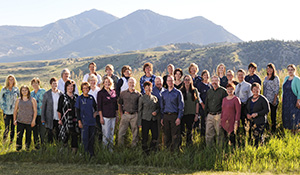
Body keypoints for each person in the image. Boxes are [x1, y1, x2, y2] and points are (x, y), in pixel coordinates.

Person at [161, 75, 184, 151]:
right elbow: (162, 106)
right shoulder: (163, 93)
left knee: (175, 135)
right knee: (167, 135)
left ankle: (175, 151)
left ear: (174, 81)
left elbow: (181, 107)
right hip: (166, 116)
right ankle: (167, 151)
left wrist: (179, 118)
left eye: (171, 80)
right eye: (168, 81)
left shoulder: (178, 93)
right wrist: (162, 117)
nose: (170, 82)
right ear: (166, 82)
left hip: (174, 116)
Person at [204, 75, 228, 146]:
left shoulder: (223, 91)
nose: (214, 82)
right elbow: (206, 103)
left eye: (216, 81)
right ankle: (209, 149)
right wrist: (206, 115)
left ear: (219, 81)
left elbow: (226, 105)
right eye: (213, 81)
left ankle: (219, 149)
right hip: (210, 115)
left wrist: (224, 117)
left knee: (219, 133)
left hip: (219, 115)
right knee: (209, 133)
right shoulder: (209, 91)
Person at [118, 77, 141, 147]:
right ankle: (120, 147)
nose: (131, 84)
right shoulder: (123, 93)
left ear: (135, 84)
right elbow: (119, 104)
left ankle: (134, 147)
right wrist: (121, 114)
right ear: (128, 84)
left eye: (133, 83)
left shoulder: (138, 94)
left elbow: (140, 107)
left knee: (135, 133)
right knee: (121, 132)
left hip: (134, 115)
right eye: (130, 82)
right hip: (125, 115)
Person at [76, 82, 97, 157]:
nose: (86, 89)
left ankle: (91, 155)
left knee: (91, 139)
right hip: (84, 122)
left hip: (92, 121)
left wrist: (96, 113)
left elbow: (96, 107)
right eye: (84, 88)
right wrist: (79, 121)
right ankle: (85, 155)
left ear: (89, 89)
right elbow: (77, 111)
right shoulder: (79, 98)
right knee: (85, 139)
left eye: (87, 88)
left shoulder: (91, 98)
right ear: (82, 89)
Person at [57, 80, 79, 153]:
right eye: (68, 86)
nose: (70, 88)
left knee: (75, 137)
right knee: (65, 137)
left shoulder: (76, 97)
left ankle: (74, 154)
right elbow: (59, 109)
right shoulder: (62, 97)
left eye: (72, 86)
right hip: (65, 120)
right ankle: (64, 153)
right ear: (66, 87)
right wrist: (60, 119)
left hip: (75, 120)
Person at [13, 85, 37, 151]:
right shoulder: (18, 100)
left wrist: (33, 120)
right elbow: (15, 110)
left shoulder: (32, 100)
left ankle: (27, 149)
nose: (24, 92)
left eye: (25, 90)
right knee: (19, 136)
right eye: (23, 90)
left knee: (28, 136)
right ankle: (18, 149)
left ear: (28, 91)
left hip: (29, 121)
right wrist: (14, 120)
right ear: (21, 91)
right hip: (20, 121)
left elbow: (35, 111)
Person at [138, 81, 160, 153]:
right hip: (145, 119)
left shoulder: (155, 98)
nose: (148, 89)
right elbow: (139, 110)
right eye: (146, 88)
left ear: (151, 88)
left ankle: (152, 149)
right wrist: (139, 122)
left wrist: (156, 112)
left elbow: (158, 108)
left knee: (155, 136)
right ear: (144, 89)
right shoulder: (142, 98)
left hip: (153, 120)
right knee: (145, 136)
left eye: (149, 87)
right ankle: (145, 151)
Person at [97, 76, 118, 150]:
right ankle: (104, 150)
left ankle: (111, 150)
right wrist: (101, 117)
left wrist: (117, 115)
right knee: (106, 134)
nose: (107, 83)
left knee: (112, 134)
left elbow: (116, 105)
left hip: (113, 116)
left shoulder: (113, 91)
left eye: (109, 82)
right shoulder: (100, 93)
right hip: (105, 116)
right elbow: (99, 106)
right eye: (106, 82)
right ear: (103, 83)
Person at [41, 77, 63, 143]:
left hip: (58, 117)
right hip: (50, 116)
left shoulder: (61, 94)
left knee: (58, 132)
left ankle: (58, 145)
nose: (55, 85)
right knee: (50, 132)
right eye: (53, 84)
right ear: (51, 84)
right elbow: (44, 107)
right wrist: (43, 118)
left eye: (56, 84)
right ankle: (50, 146)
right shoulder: (47, 94)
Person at [180, 75, 200, 146]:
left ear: (191, 81)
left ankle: (189, 145)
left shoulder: (194, 90)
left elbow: (197, 103)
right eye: (185, 79)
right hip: (183, 113)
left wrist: (196, 114)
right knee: (182, 131)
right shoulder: (181, 91)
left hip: (191, 113)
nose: (187, 81)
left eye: (188, 79)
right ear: (183, 81)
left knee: (190, 131)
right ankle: (181, 145)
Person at [220, 83, 241, 147]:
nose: (229, 91)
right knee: (225, 140)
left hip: (232, 122)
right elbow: (222, 110)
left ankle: (233, 152)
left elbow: (238, 112)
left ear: (234, 90)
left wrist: (236, 121)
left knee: (233, 139)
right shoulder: (224, 99)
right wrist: (221, 120)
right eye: (228, 89)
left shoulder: (236, 99)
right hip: (224, 121)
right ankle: (225, 152)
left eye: (231, 89)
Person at [0, 74, 19, 144]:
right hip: (6, 112)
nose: (11, 81)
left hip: (14, 112)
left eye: (12, 79)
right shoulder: (4, 89)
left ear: (14, 80)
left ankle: (11, 141)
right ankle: (4, 141)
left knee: (13, 128)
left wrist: (18, 108)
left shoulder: (16, 89)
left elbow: (19, 99)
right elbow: (1, 99)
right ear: (7, 80)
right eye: (9, 79)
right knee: (6, 127)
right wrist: (3, 108)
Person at [282, 64, 300, 132]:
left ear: (294, 70)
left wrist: (298, 100)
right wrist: (282, 97)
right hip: (286, 101)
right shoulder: (286, 78)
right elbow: (283, 89)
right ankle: (288, 132)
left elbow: (299, 91)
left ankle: (295, 133)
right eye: (289, 70)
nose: (290, 71)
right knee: (286, 116)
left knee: (294, 117)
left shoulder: (297, 79)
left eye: (291, 70)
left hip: (293, 100)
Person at [263, 63, 280, 133]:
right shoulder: (265, 78)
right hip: (266, 99)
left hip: (273, 99)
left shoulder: (276, 78)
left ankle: (273, 131)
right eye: (268, 68)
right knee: (265, 116)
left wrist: (274, 100)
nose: (269, 70)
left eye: (270, 68)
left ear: (273, 69)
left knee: (273, 116)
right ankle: (267, 129)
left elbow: (277, 89)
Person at [30, 77, 46, 149]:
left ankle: (43, 146)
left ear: (39, 83)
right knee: (35, 131)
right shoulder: (31, 93)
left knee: (42, 131)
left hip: (42, 114)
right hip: (34, 115)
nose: (34, 85)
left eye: (36, 83)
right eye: (33, 83)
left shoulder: (43, 91)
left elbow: (47, 101)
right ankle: (37, 146)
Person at [151, 76, 166, 145]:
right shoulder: (152, 91)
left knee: (165, 131)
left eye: (160, 81)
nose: (159, 83)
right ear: (154, 82)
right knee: (157, 131)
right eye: (157, 81)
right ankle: (156, 146)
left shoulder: (165, 90)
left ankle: (164, 145)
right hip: (156, 114)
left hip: (165, 113)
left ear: (162, 82)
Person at [87, 74, 102, 143]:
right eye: (91, 81)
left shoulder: (99, 90)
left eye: (94, 80)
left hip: (98, 113)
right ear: (89, 81)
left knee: (99, 128)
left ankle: (99, 142)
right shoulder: (87, 91)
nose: (93, 82)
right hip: (89, 113)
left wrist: (96, 111)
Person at [198, 70, 212, 136]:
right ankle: (202, 136)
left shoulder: (210, 85)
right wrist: (202, 104)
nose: (206, 76)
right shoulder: (200, 85)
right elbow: (198, 95)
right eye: (204, 75)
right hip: (203, 106)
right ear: (202, 76)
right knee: (203, 121)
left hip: (210, 107)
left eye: (207, 75)